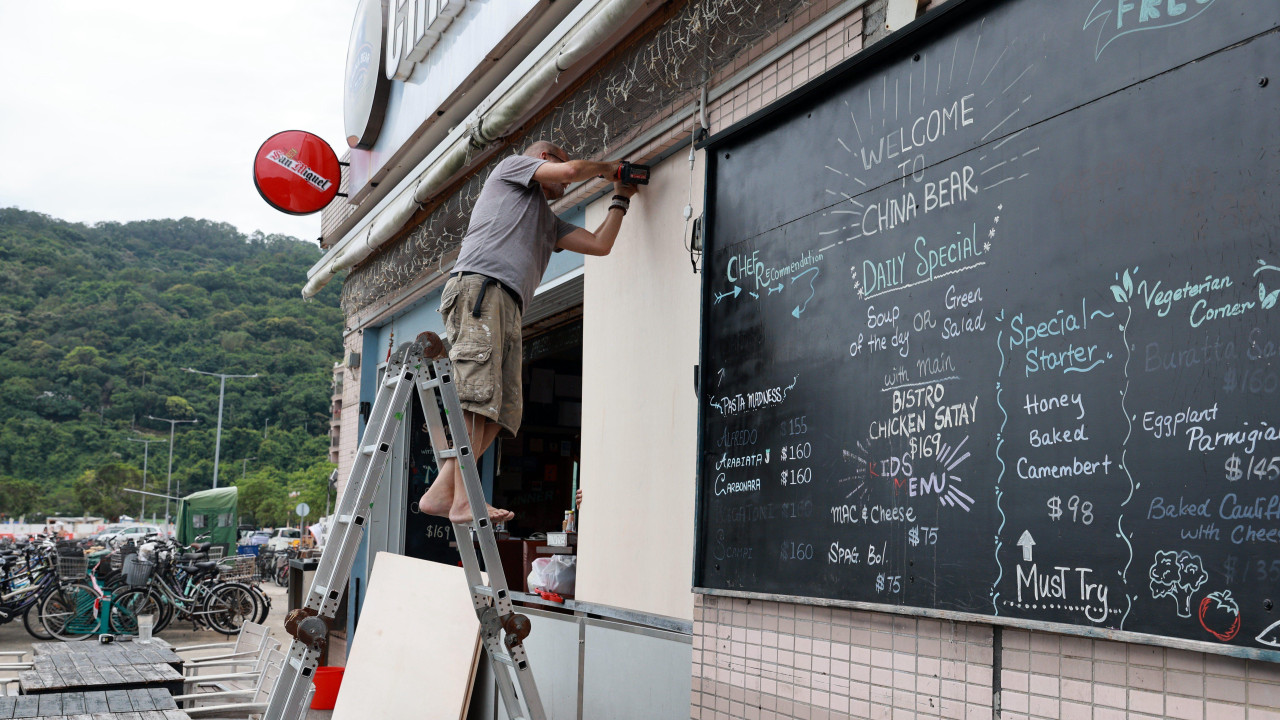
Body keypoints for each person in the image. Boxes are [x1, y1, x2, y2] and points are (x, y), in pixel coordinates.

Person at [419, 141, 640, 524]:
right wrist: (611, 169)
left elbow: (600, 245)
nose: (567, 183)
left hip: (507, 304)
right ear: (543, 160)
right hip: (481, 289)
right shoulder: (510, 170)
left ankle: (443, 492)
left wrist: (620, 197)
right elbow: (571, 172)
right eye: (562, 163)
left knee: (504, 410)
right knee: (479, 395)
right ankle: (463, 501)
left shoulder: (548, 223)